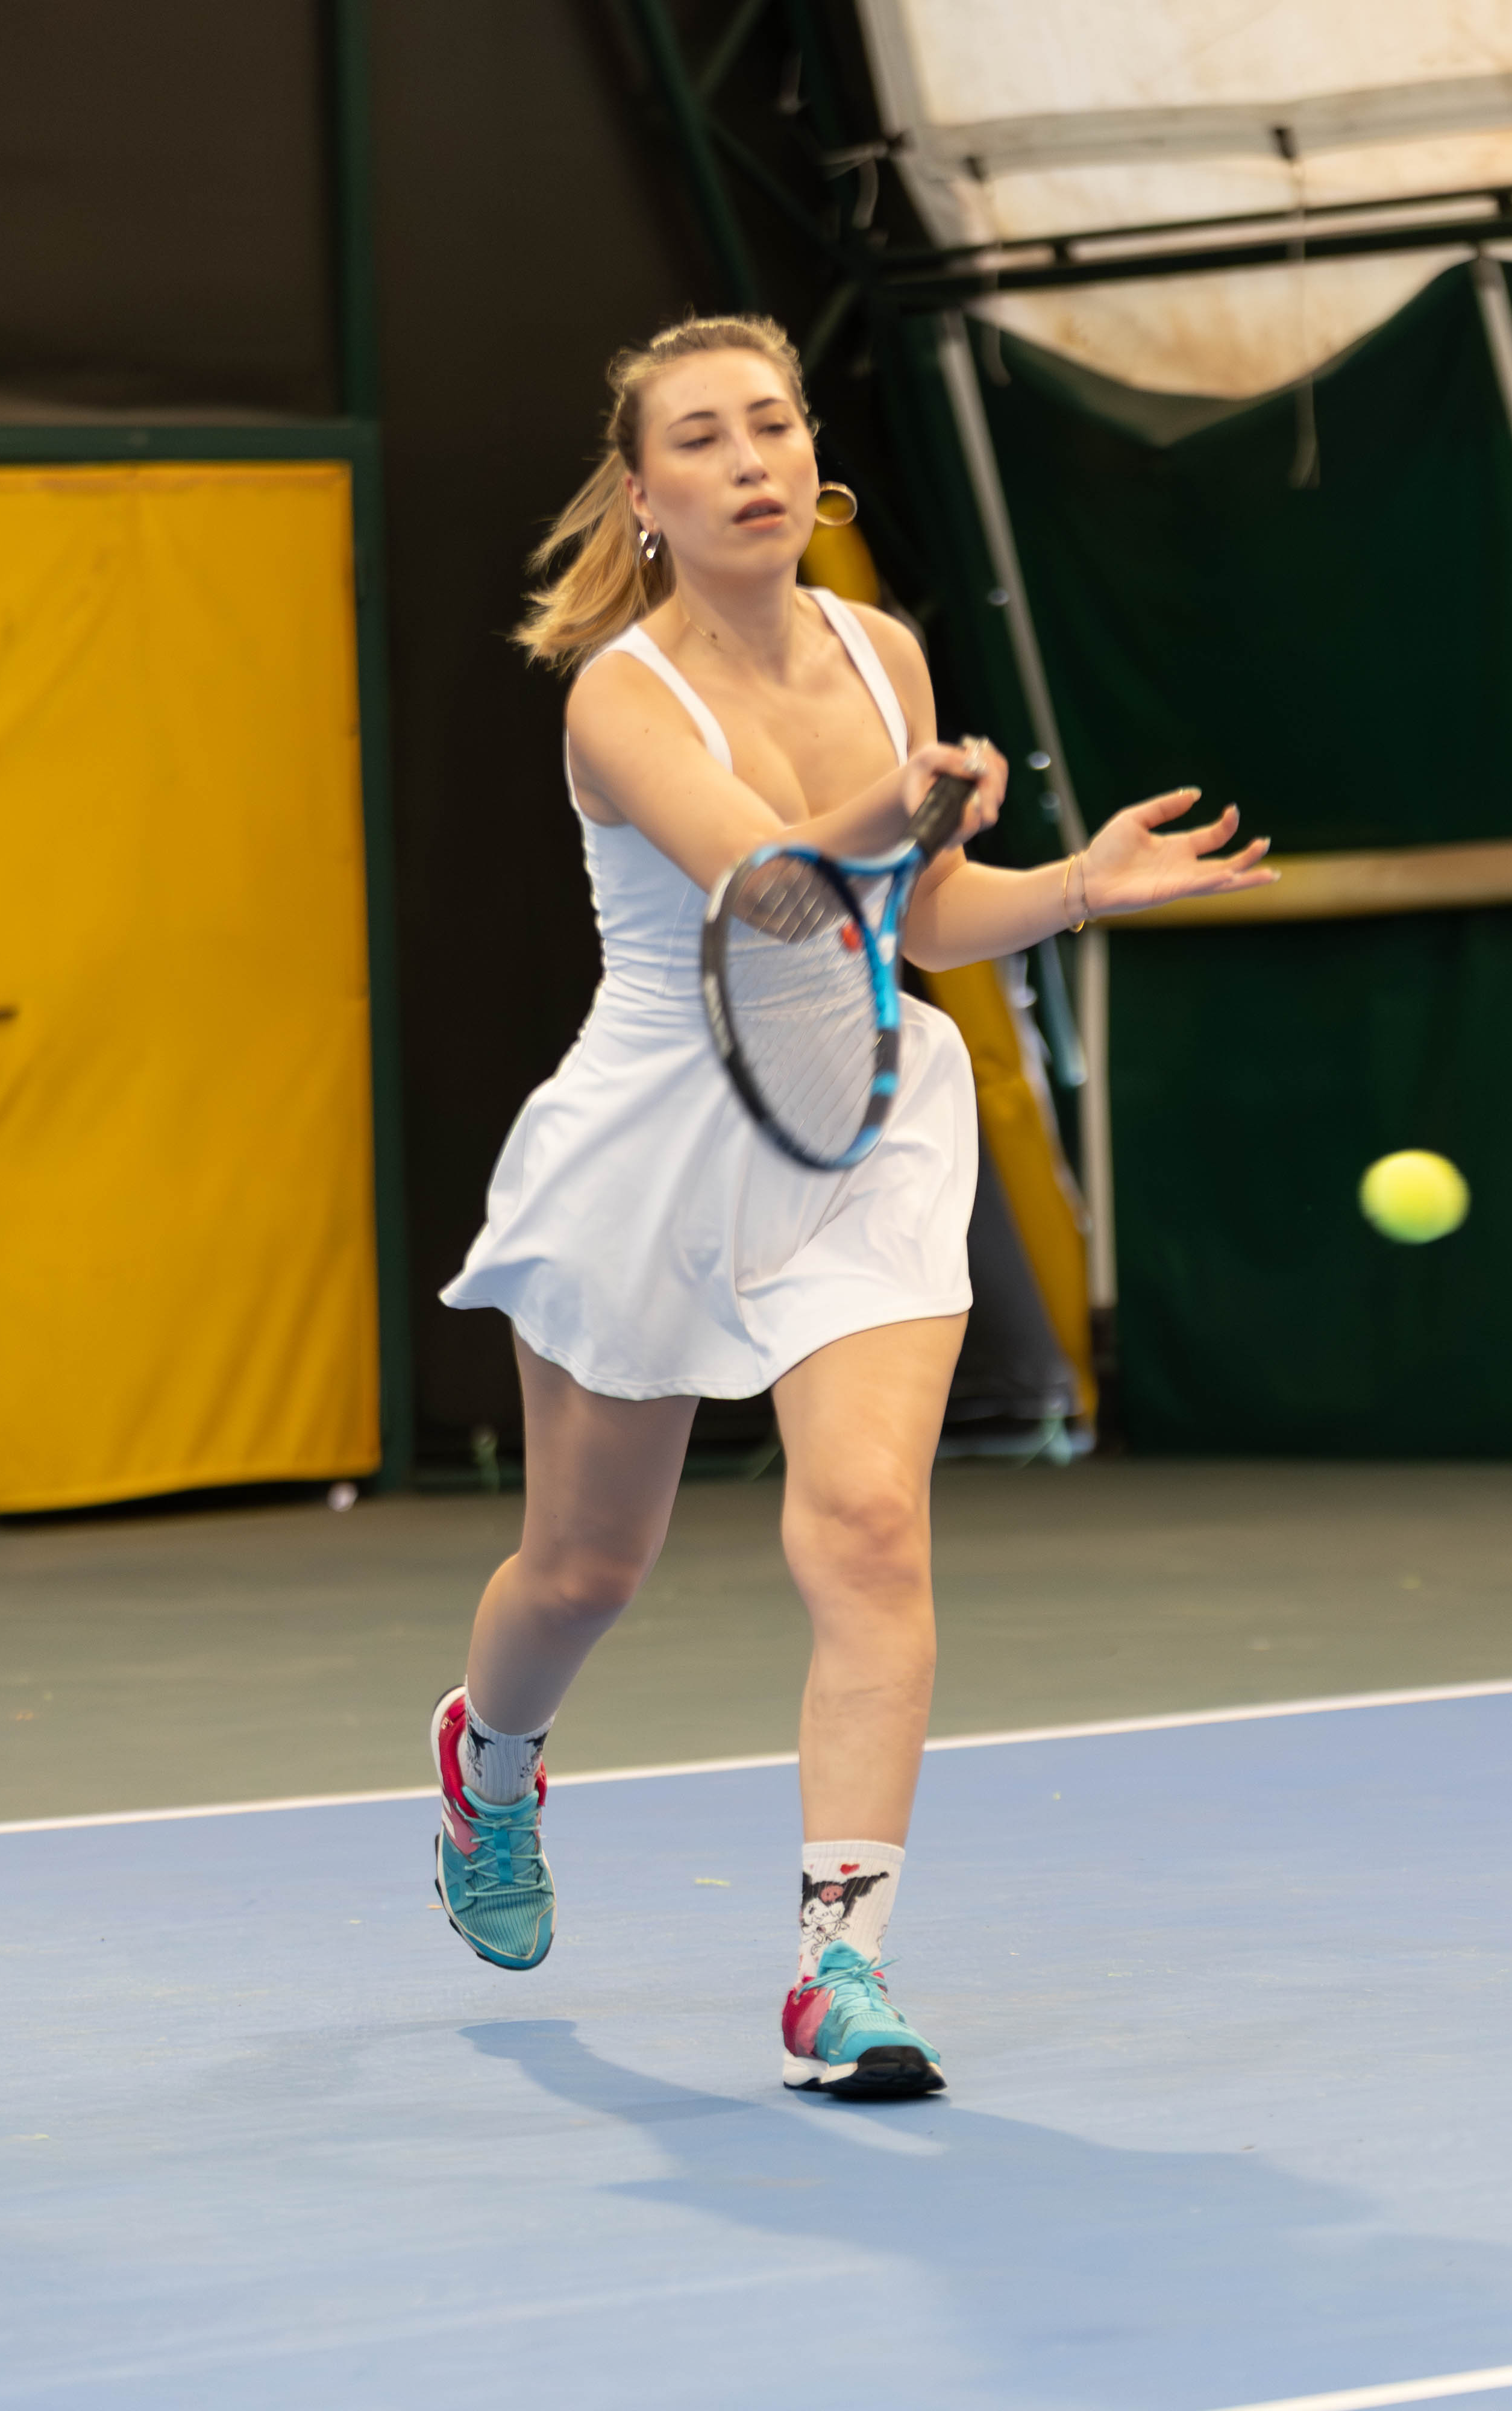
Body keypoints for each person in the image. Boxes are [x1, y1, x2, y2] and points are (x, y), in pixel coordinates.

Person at [430, 314, 1275, 2098]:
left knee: (872, 1528)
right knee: (584, 1572)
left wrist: (1074, 886)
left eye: (771, 425)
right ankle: (491, 1765)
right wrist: (897, 805)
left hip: (866, 1124)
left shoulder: (883, 651)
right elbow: (770, 892)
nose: (746, 461)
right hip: (660, 1142)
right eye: (700, 439)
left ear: (815, 458)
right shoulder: (618, 697)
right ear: (642, 495)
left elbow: (921, 916)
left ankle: (842, 1967)